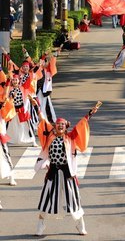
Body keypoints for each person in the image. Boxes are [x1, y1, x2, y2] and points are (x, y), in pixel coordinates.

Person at [33, 99, 101, 236]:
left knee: (74, 199)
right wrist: (36, 106)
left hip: (68, 172)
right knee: (46, 199)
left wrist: (90, 113)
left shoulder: (70, 137)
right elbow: (42, 120)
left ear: (66, 126)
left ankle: (80, 225)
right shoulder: (49, 136)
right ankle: (40, 225)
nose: (60, 127)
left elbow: (82, 125)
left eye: (62, 125)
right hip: (52, 171)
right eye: (58, 125)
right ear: (55, 126)